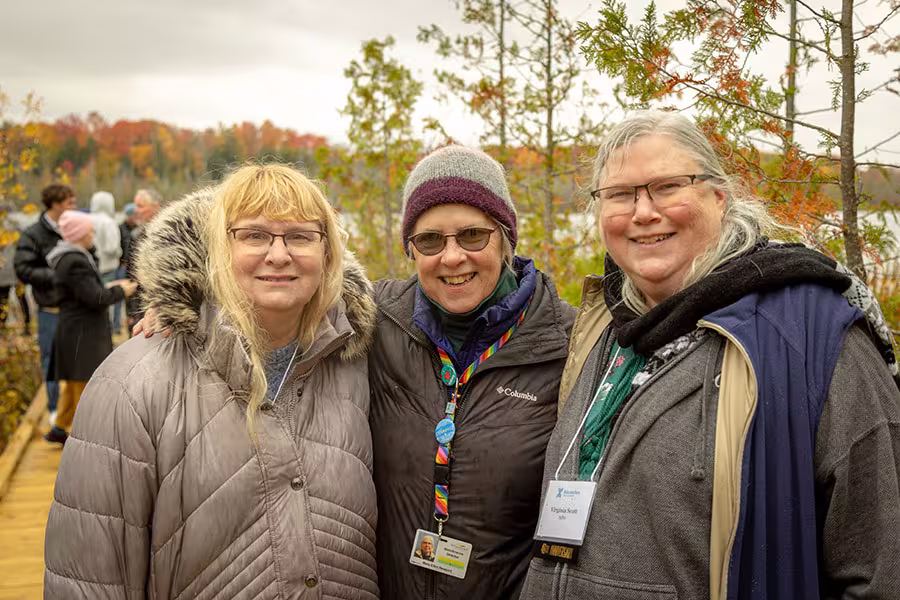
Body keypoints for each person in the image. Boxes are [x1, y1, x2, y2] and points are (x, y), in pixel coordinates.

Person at [135, 146, 575, 599]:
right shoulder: (375, 320)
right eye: (430, 241)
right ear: (410, 248)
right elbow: (280, 288)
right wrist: (186, 301)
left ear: (505, 238)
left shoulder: (568, 344)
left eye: (472, 236)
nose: (452, 257)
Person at [520, 111, 900, 600]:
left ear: (719, 197)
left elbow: (882, 569)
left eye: (667, 186)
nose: (642, 212)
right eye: (620, 194)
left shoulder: (809, 336)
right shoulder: (606, 325)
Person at [44, 164, 379, 599]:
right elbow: (88, 579)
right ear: (219, 248)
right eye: (254, 235)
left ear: (329, 251)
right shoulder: (132, 383)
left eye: (300, 236)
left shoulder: (354, 361)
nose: (279, 255)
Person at [42, 211, 136, 444]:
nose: (93, 234)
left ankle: (59, 428)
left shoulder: (72, 257)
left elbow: (86, 291)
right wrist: (120, 291)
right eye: (90, 230)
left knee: (74, 383)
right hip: (81, 334)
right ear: (80, 234)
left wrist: (110, 286)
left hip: (75, 331)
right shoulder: (74, 260)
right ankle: (83, 439)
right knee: (84, 387)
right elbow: (94, 297)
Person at [14, 183, 76, 418]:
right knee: (51, 361)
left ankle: (71, 412)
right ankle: (52, 410)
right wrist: (56, 276)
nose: (74, 207)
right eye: (70, 203)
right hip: (50, 309)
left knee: (77, 361)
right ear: (56, 204)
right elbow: (22, 268)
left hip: (75, 308)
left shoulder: (71, 229)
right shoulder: (33, 234)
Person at [124, 188, 161, 328]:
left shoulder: (171, 233)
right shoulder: (136, 235)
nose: (136, 210)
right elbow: (132, 276)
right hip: (140, 306)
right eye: (135, 206)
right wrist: (131, 312)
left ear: (156, 206)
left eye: (141, 206)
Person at [112, 201, 136, 333]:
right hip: (122, 266)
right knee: (119, 296)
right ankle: (116, 324)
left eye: (134, 215)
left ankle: (130, 322)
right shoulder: (120, 228)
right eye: (129, 215)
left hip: (134, 267)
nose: (132, 218)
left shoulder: (139, 229)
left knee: (132, 297)